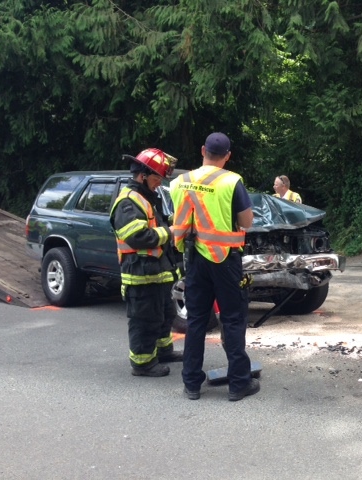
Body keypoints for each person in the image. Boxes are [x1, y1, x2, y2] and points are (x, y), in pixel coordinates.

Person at [170, 132, 259, 401]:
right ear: (228, 155)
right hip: (224, 258)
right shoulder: (231, 181)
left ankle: (192, 384)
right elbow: (246, 222)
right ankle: (238, 384)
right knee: (232, 319)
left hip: (195, 258)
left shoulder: (179, 182)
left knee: (196, 320)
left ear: (202, 150)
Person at [110, 148, 183, 377]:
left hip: (155, 272)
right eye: (156, 178)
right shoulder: (128, 201)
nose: (159, 183)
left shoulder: (147, 198)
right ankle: (142, 363)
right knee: (144, 320)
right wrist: (169, 232)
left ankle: (163, 351)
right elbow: (138, 237)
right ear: (143, 175)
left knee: (163, 314)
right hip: (140, 274)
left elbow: (155, 225)